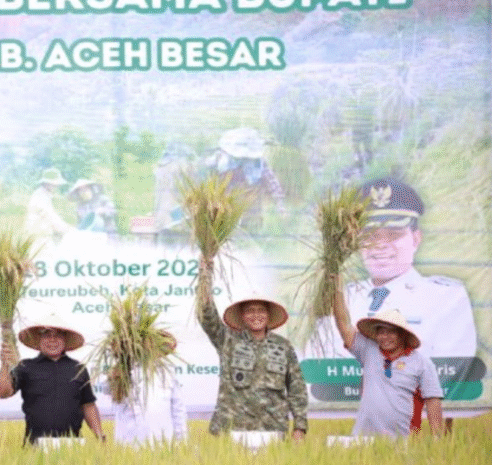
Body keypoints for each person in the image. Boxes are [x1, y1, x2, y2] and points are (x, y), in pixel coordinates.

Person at [304, 177, 477, 360]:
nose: (380, 245)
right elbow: (316, 364)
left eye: (393, 235)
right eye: (370, 236)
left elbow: (452, 371)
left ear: (416, 239)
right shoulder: (342, 298)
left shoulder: (445, 298)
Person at [195, 261, 308, 440]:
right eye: (250, 311)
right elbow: (206, 313)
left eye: (261, 310)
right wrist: (205, 275)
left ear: (269, 315)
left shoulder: (283, 346)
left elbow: (297, 387)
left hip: (272, 430)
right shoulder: (227, 340)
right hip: (230, 430)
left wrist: (300, 427)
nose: (256, 315)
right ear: (242, 316)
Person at [332, 281, 444, 436]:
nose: (384, 337)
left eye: (391, 332)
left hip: (403, 442)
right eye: (381, 332)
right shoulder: (369, 350)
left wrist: (438, 440)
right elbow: (344, 324)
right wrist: (336, 288)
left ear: (403, 334)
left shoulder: (421, 364)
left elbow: (433, 400)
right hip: (363, 440)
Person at [0, 314, 105, 444]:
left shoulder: (78, 369)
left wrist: (100, 435)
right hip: (35, 446)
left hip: (72, 446)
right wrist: (4, 365)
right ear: (39, 339)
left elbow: (88, 405)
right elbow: (3, 393)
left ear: (65, 340)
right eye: (47, 335)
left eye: (58, 335)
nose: (52, 340)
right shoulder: (26, 366)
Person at [110, 331, 187, 446]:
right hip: (129, 443)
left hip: (163, 443)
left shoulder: (168, 374)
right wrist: (115, 376)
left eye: (154, 346)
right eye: (145, 345)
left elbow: (178, 411)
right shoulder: (123, 371)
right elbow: (108, 391)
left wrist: (182, 442)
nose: (149, 349)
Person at [24, 168, 74, 244]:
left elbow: (52, 216)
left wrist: (67, 227)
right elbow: (49, 217)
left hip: (42, 234)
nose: (56, 186)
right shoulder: (40, 196)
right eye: (53, 183)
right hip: (38, 236)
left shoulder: (45, 195)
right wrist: (67, 229)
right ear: (46, 183)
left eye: (56, 184)